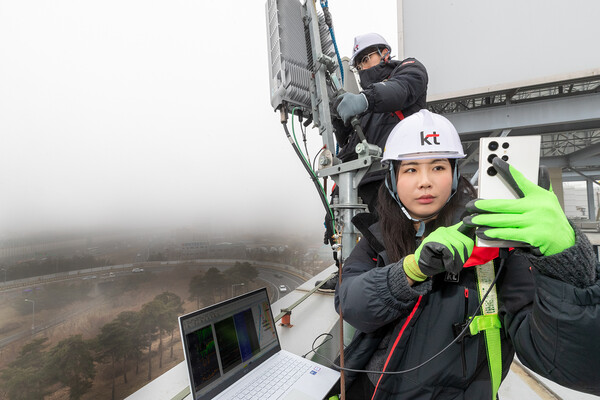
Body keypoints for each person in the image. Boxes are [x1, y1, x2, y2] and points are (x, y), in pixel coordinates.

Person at [332, 109, 600, 399]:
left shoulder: (496, 243)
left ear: (455, 174)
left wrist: (567, 266)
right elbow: (350, 304)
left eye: (438, 167)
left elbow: (575, 364)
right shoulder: (377, 234)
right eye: (410, 169)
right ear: (392, 178)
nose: (425, 181)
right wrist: (409, 271)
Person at [319, 33, 428, 292]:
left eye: (367, 58)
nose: (363, 67)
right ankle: (349, 277)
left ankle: (400, 285)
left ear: (385, 53)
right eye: (359, 64)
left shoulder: (408, 71)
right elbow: (349, 149)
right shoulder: (367, 107)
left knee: (391, 237)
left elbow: (399, 91)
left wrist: (364, 100)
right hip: (363, 183)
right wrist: (338, 119)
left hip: (391, 178)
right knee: (361, 238)